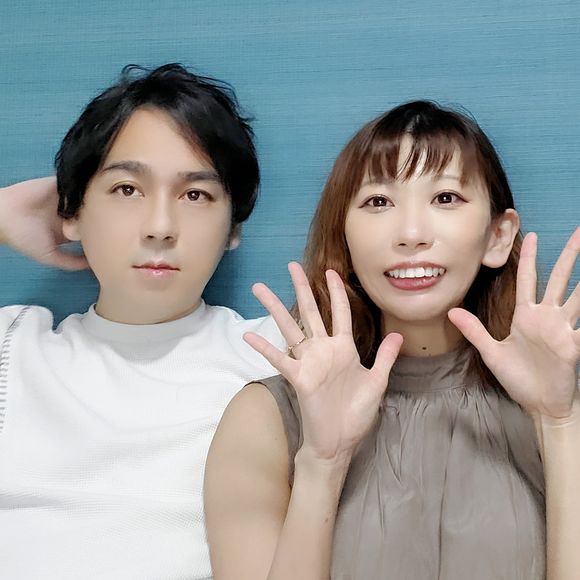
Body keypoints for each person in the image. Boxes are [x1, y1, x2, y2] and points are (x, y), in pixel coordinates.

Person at [205, 101, 580, 579]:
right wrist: (323, 462)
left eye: (446, 197)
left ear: (497, 237)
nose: (411, 234)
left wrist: (558, 422)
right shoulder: (265, 419)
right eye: (379, 202)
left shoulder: (560, 402)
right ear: (345, 238)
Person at [0, 63, 284, 580]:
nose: (160, 227)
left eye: (196, 195)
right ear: (71, 213)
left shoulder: (276, 354)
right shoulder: (13, 347)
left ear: (232, 229)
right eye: (127, 189)